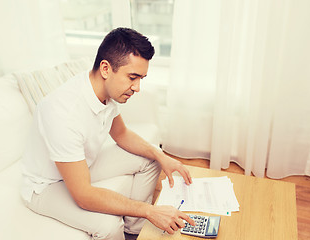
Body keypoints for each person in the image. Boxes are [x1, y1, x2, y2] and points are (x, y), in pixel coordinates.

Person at [21, 27, 195, 240]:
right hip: (45, 186)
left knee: (150, 158)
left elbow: (121, 134)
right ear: (106, 69)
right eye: (133, 77)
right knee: (109, 225)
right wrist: (149, 210)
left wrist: (162, 156)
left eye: (141, 78)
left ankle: (135, 232)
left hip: (81, 165)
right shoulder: (63, 113)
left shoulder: (106, 92)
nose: (137, 87)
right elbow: (83, 195)